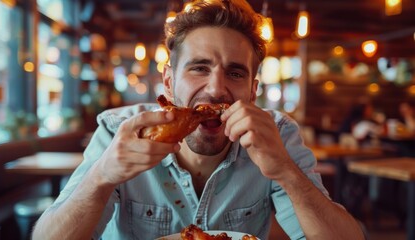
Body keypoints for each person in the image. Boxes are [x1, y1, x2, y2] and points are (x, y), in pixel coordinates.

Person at [32, 0, 365, 239]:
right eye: (199, 68)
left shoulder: (277, 134)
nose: (217, 88)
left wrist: (286, 172)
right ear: (168, 82)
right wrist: (101, 176)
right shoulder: (119, 132)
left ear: (252, 91)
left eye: (235, 73)